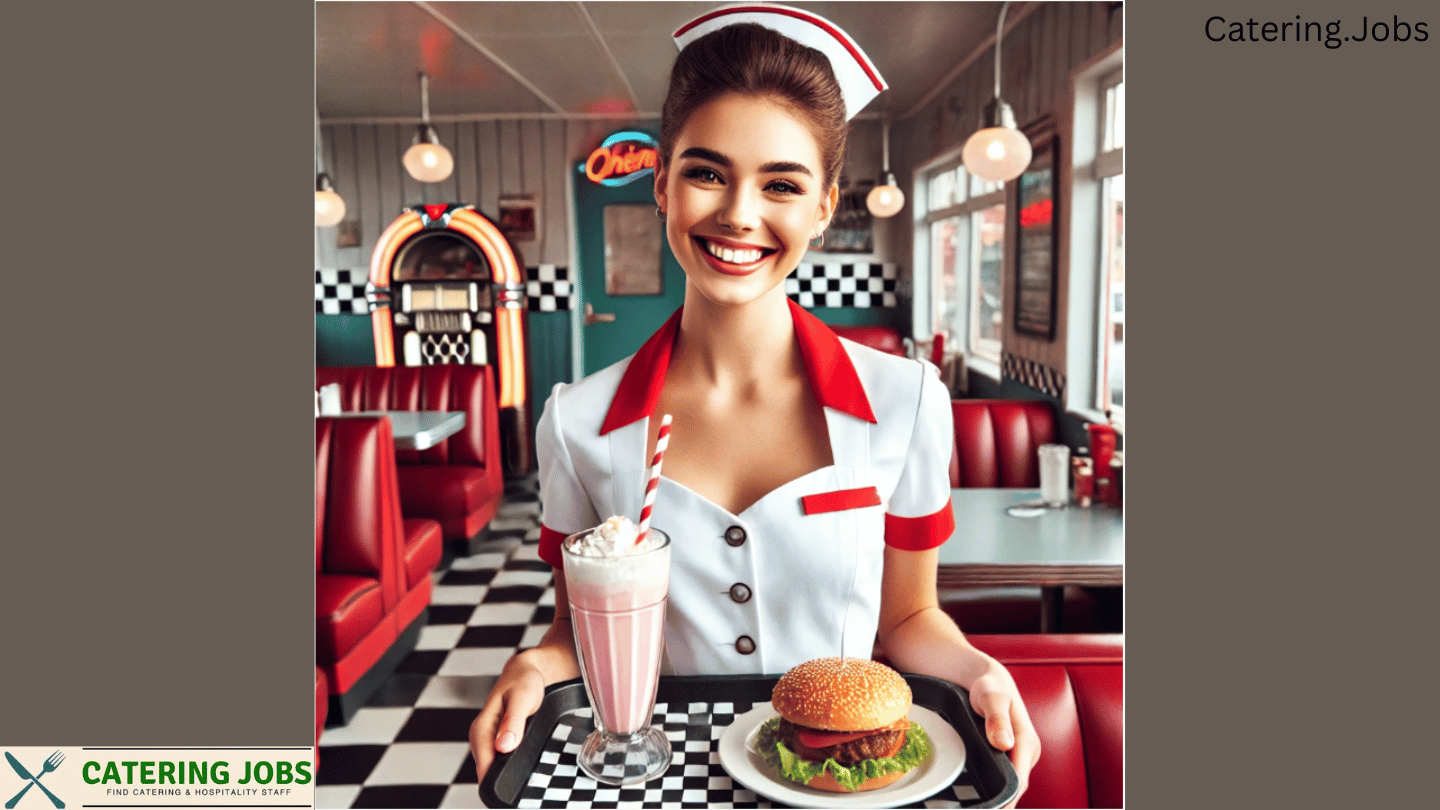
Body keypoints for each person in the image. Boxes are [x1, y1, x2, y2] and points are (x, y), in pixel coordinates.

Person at [470, 6, 1040, 804]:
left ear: (822, 206)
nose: (739, 212)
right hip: (665, 779)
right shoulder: (575, 422)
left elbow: (909, 620)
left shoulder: (908, 402)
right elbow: (580, 630)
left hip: (841, 783)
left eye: (781, 184)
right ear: (662, 183)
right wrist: (534, 664)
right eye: (707, 172)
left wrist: (979, 670)